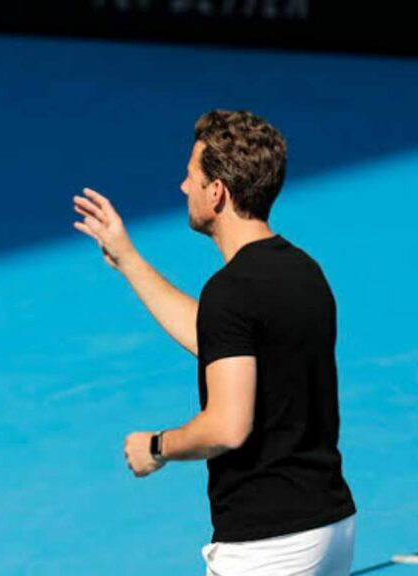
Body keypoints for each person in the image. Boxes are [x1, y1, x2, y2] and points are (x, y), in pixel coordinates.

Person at [72, 109, 356, 575]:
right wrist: (127, 258)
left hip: (267, 548)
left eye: (191, 178)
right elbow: (218, 339)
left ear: (217, 192)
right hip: (331, 528)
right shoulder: (304, 272)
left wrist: (158, 447)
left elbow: (227, 426)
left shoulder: (232, 292)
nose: (184, 188)